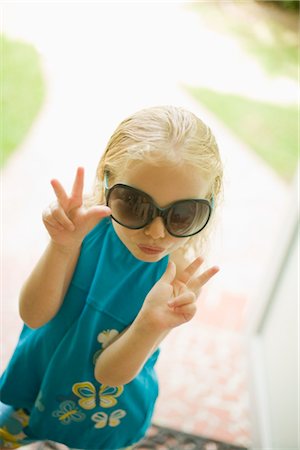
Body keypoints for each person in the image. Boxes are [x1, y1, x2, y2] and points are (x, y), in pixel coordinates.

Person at [0, 105, 223, 450]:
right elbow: (33, 314)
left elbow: (109, 375)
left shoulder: (176, 280)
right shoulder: (83, 232)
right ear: (107, 182)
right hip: (35, 388)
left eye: (182, 214)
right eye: (134, 205)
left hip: (101, 421)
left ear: (209, 201)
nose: (155, 231)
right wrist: (62, 247)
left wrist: (151, 324)